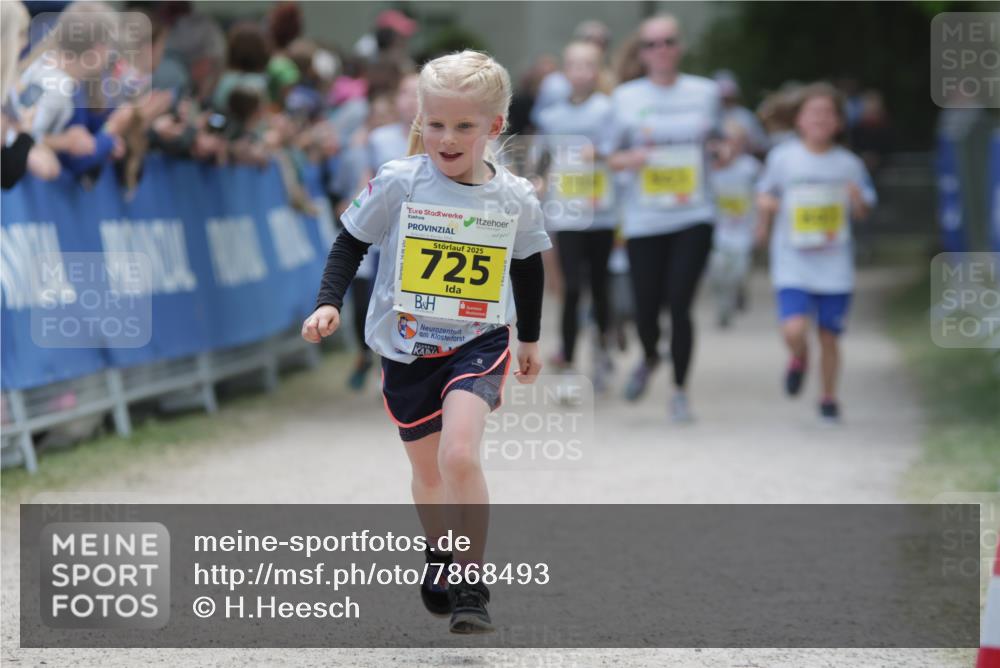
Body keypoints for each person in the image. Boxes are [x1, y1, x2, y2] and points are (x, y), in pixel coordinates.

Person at [302, 50, 550, 633]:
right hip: (408, 347)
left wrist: (532, 340)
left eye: (464, 126)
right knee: (430, 473)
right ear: (420, 119)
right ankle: (440, 552)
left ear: (492, 127)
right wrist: (326, 303)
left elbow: (529, 265)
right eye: (436, 123)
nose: (446, 137)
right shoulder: (398, 181)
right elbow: (348, 243)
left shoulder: (512, 197)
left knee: (458, 454)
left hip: (478, 341)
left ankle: (470, 580)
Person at [603, 14, 722, 423]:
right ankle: (651, 355)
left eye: (669, 41)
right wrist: (628, 159)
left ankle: (679, 391)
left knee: (680, 302)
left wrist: (725, 151)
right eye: (652, 44)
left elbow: (720, 143)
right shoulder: (626, 98)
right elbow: (608, 156)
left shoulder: (705, 93)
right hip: (644, 217)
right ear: (642, 53)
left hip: (694, 213)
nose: (662, 50)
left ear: (680, 46)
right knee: (646, 308)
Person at [754, 82, 877, 424]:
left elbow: (865, 208)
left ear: (839, 122)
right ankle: (799, 357)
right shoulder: (783, 158)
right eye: (813, 113)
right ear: (798, 120)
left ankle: (828, 398)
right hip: (793, 261)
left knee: (829, 335)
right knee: (793, 330)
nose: (820, 119)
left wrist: (857, 201)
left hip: (834, 264)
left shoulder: (848, 164)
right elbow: (763, 194)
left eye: (827, 113)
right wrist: (765, 219)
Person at [534, 41, 616, 392]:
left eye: (588, 65)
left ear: (598, 70)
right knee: (570, 288)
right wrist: (537, 181)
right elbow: (540, 160)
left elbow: (620, 151)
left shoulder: (609, 110)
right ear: (564, 71)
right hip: (566, 213)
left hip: (601, 213)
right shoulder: (551, 117)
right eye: (574, 65)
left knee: (599, 285)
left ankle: (602, 352)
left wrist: (599, 153)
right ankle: (568, 362)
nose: (580, 72)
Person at [707, 119, 762, 328]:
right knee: (718, 271)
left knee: (738, 272)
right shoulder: (709, 166)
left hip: (744, 230)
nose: (731, 145)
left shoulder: (751, 168)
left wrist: (760, 225)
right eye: (727, 140)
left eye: (737, 141)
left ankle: (739, 290)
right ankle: (723, 309)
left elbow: (762, 195)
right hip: (717, 231)